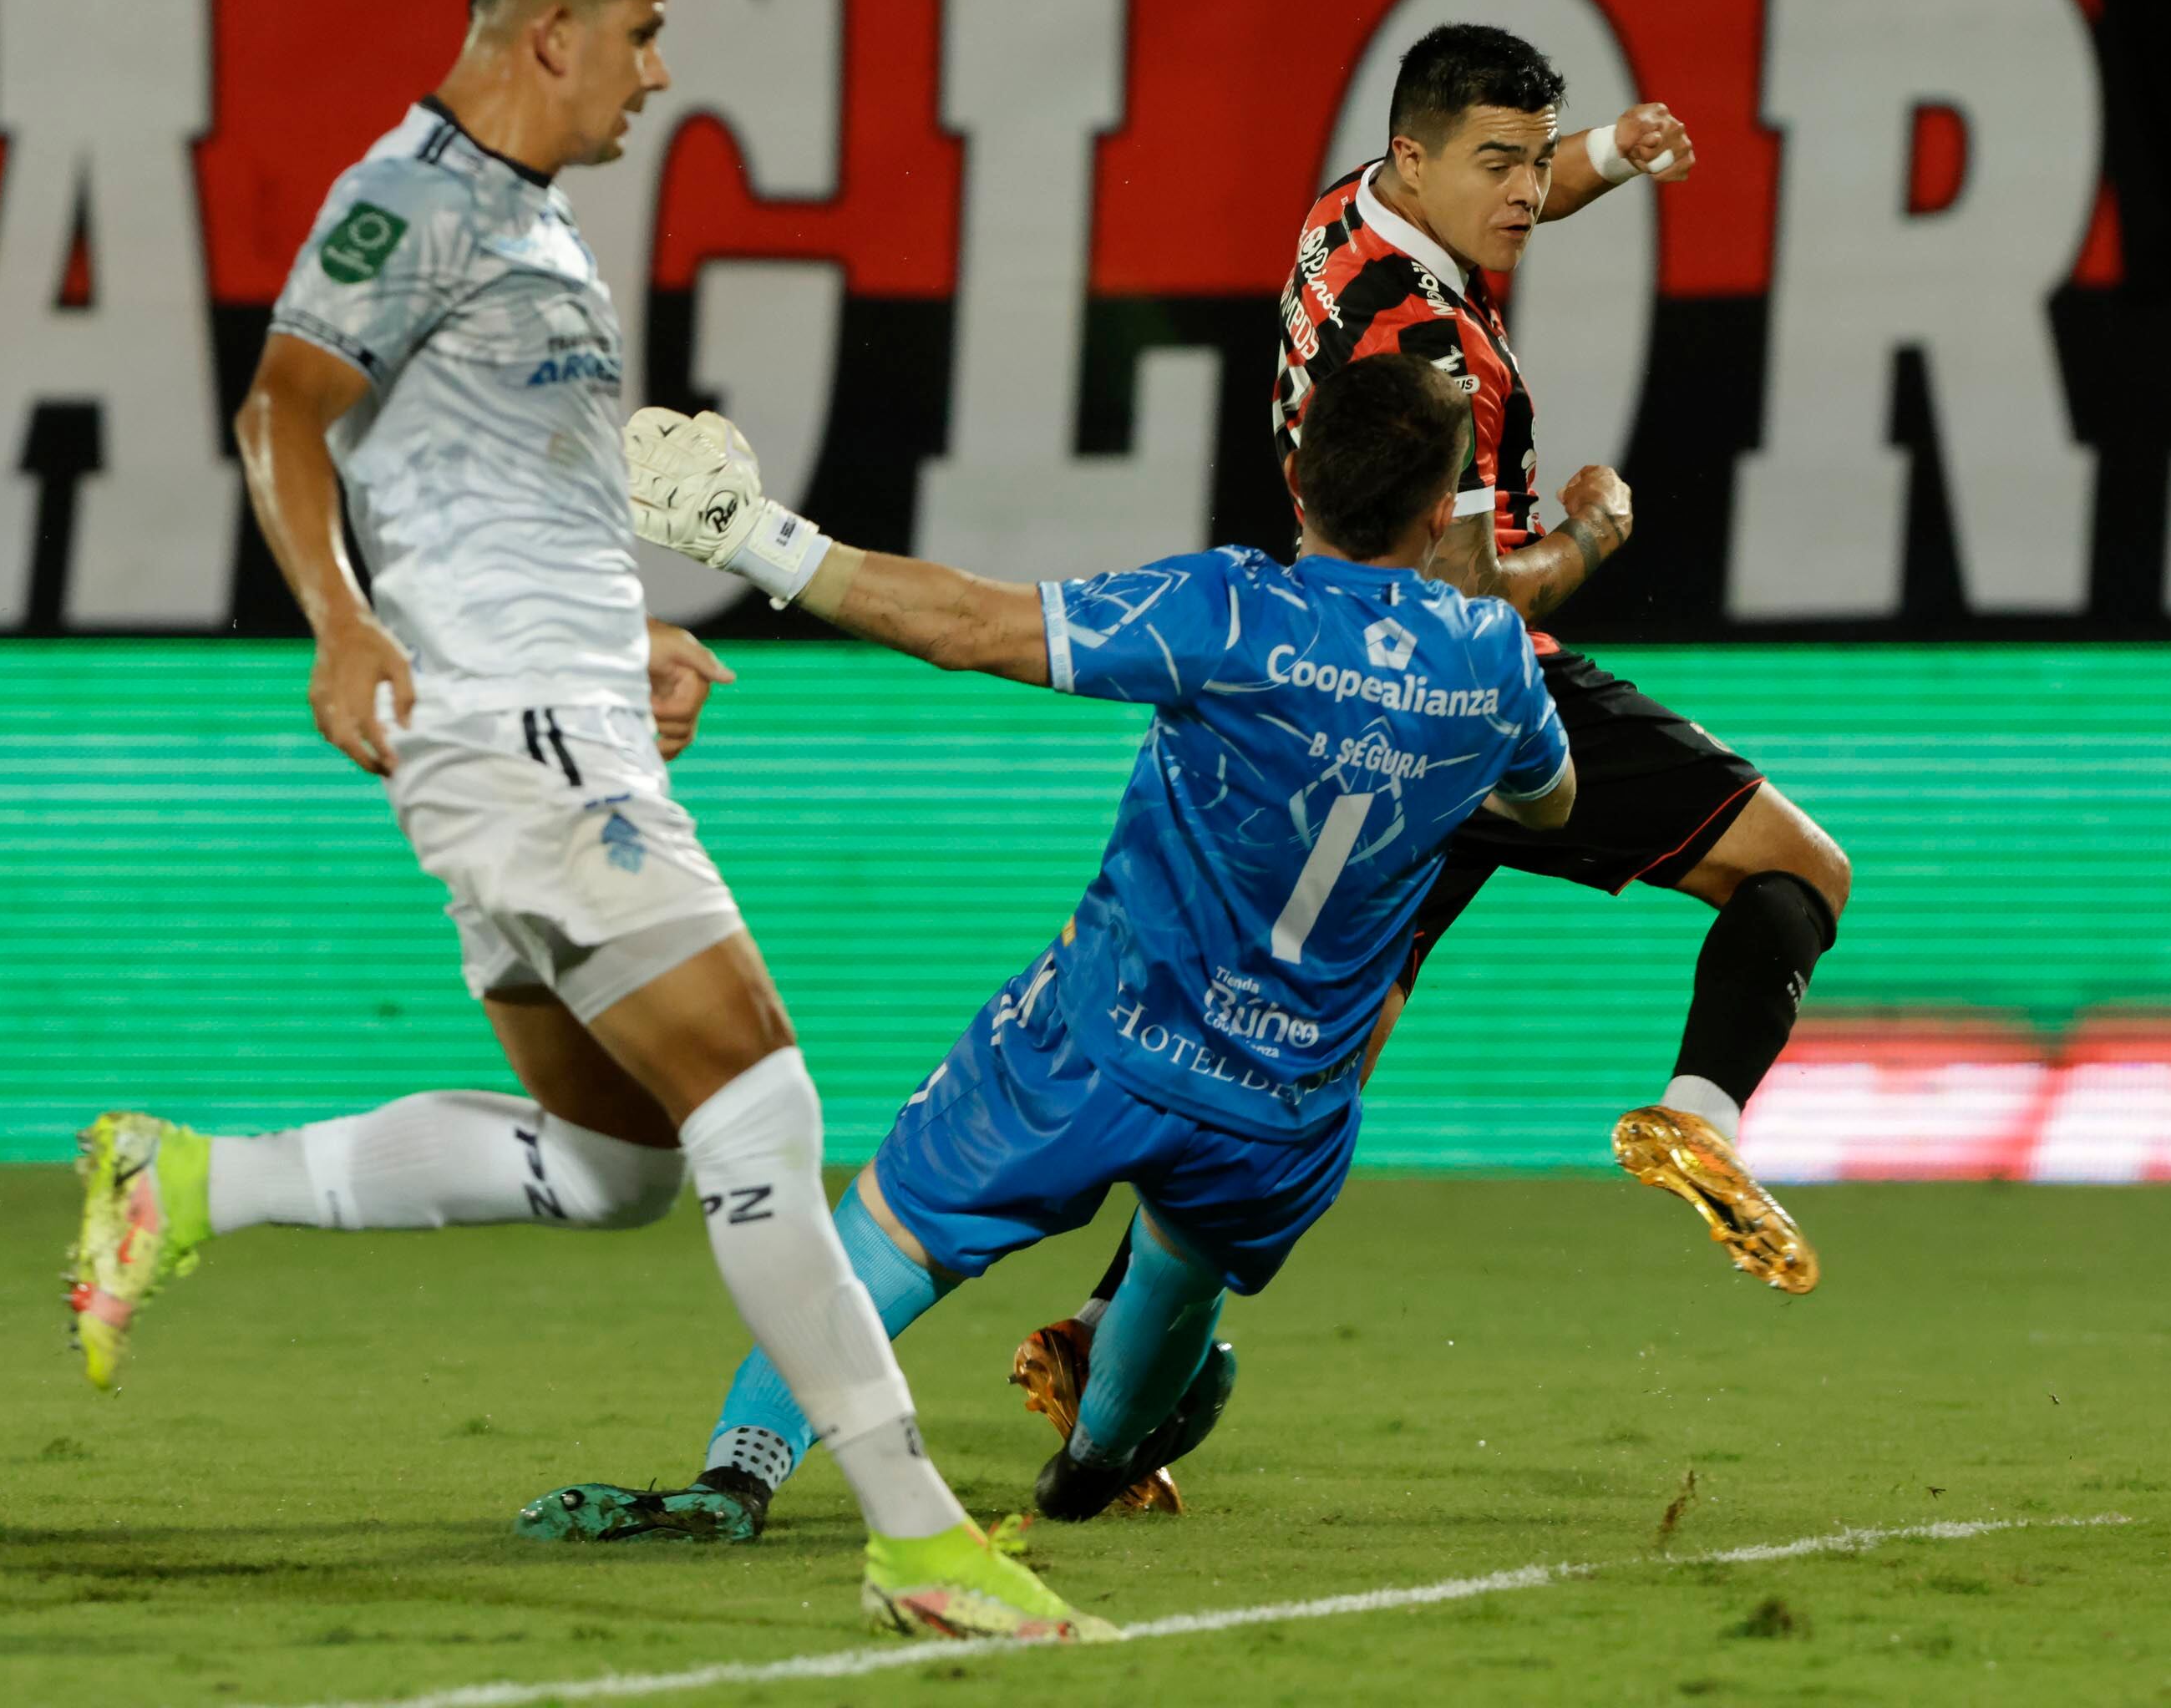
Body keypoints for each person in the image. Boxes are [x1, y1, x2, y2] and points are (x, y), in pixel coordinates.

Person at [59, 0, 1098, 1644]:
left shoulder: (535, 231)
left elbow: (481, 499)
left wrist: (622, 645)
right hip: (509, 740)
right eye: (644, 30)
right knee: (758, 1087)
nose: (659, 70)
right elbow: (282, 408)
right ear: (552, 31)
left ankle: (191, 1179)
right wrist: (336, 620)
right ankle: (917, 1531)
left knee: (615, 1162)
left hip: (557, 715)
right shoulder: (409, 200)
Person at [512, 350, 1573, 1542]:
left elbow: (967, 626)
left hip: (1098, 1043)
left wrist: (749, 532)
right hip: (1287, 1099)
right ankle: (1093, 1468)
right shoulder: (1489, 662)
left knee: (894, 1233)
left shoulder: (1228, 613)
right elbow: (1551, 803)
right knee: (1179, 1275)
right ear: (1444, 511)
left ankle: (739, 1477)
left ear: (1295, 474)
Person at [1005, 29, 1854, 1457]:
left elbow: (1511, 186)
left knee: (1303, 1070)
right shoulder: (1427, 343)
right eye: (1502, 164)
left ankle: (1101, 1336)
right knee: (1798, 876)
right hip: (1472, 697)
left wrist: (1610, 160)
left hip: (1344, 715)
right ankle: (1694, 1117)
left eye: (1538, 159)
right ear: (1419, 156)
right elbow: (1465, 600)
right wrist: (1590, 531)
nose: (1527, 193)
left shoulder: (1348, 219)